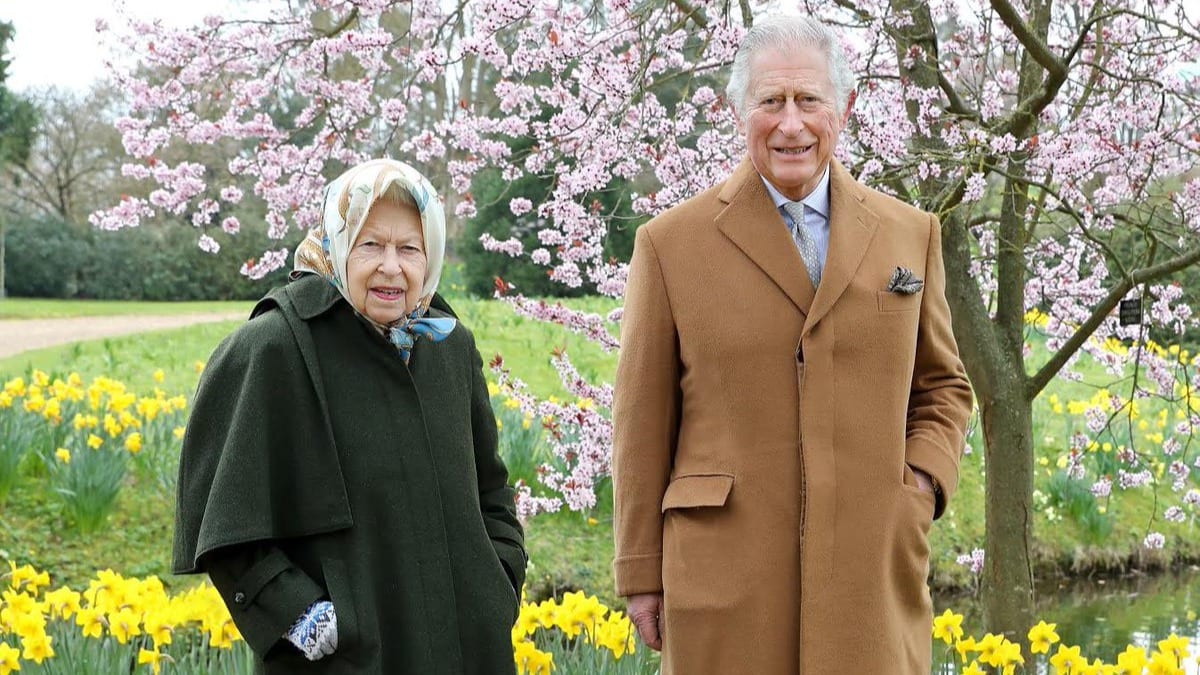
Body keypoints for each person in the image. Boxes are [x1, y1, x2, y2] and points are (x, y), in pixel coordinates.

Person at [611, 13, 974, 675]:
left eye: (810, 100)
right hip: (724, 577)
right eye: (769, 102)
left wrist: (919, 483)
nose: (791, 124)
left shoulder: (909, 234)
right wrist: (639, 569)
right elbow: (641, 419)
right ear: (737, 111)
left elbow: (943, 386)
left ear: (846, 108)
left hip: (871, 573)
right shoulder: (669, 245)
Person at [173, 158, 526, 674]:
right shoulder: (274, 346)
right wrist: (300, 617)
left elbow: (491, 490)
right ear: (337, 244)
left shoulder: (448, 344)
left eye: (409, 248)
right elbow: (222, 517)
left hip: (469, 646)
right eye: (370, 245)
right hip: (346, 659)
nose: (391, 266)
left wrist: (499, 579)